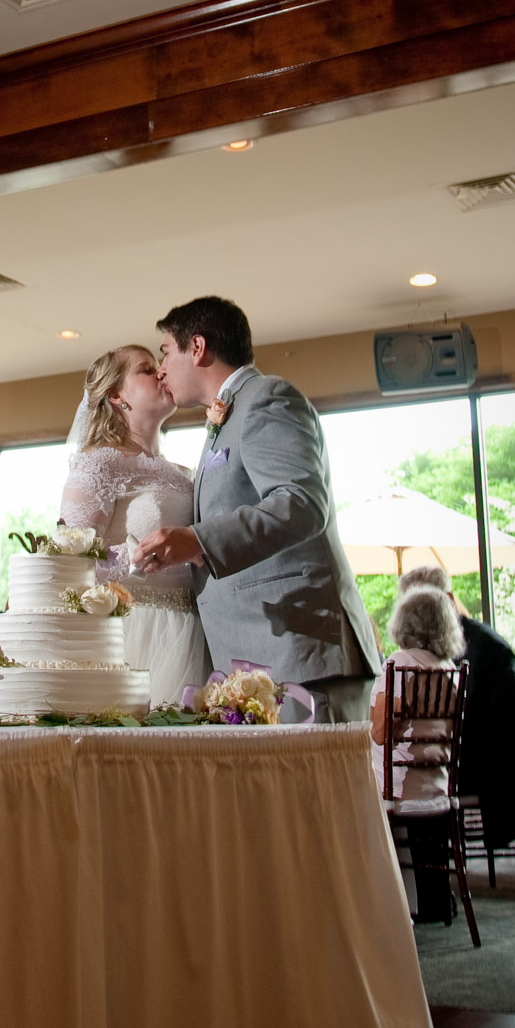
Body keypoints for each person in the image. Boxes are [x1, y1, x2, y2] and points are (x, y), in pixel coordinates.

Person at [133, 296, 380, 722]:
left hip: (299, 651)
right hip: (258, 659)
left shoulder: (267, 397)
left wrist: (196, 540)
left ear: (197, 347)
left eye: (165, 352)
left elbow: (301, 503)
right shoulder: (225, 419)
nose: (161, 369)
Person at [59, 344, 212, 705]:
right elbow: (68, 560)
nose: (161, 373)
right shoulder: (99, 464)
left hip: (193, 631)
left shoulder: (184, 474)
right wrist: (137, 554)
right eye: (147, 369)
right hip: (135, 633)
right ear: (116, 395)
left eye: (160, 366)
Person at [398, 565, 515, 851]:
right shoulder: (440, 650)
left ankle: (428, 883)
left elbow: (508, 720)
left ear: (447, 599)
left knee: (405, 779)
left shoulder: (483, 649)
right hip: (464, 757)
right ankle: (424, 883)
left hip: (494, 766)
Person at [370, 585, 465, 921]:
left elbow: (381, 734)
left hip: (400, 787)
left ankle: (377, 906)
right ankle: (434, 899)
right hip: (438, 784)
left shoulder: (400, 664)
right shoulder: (451, 670)